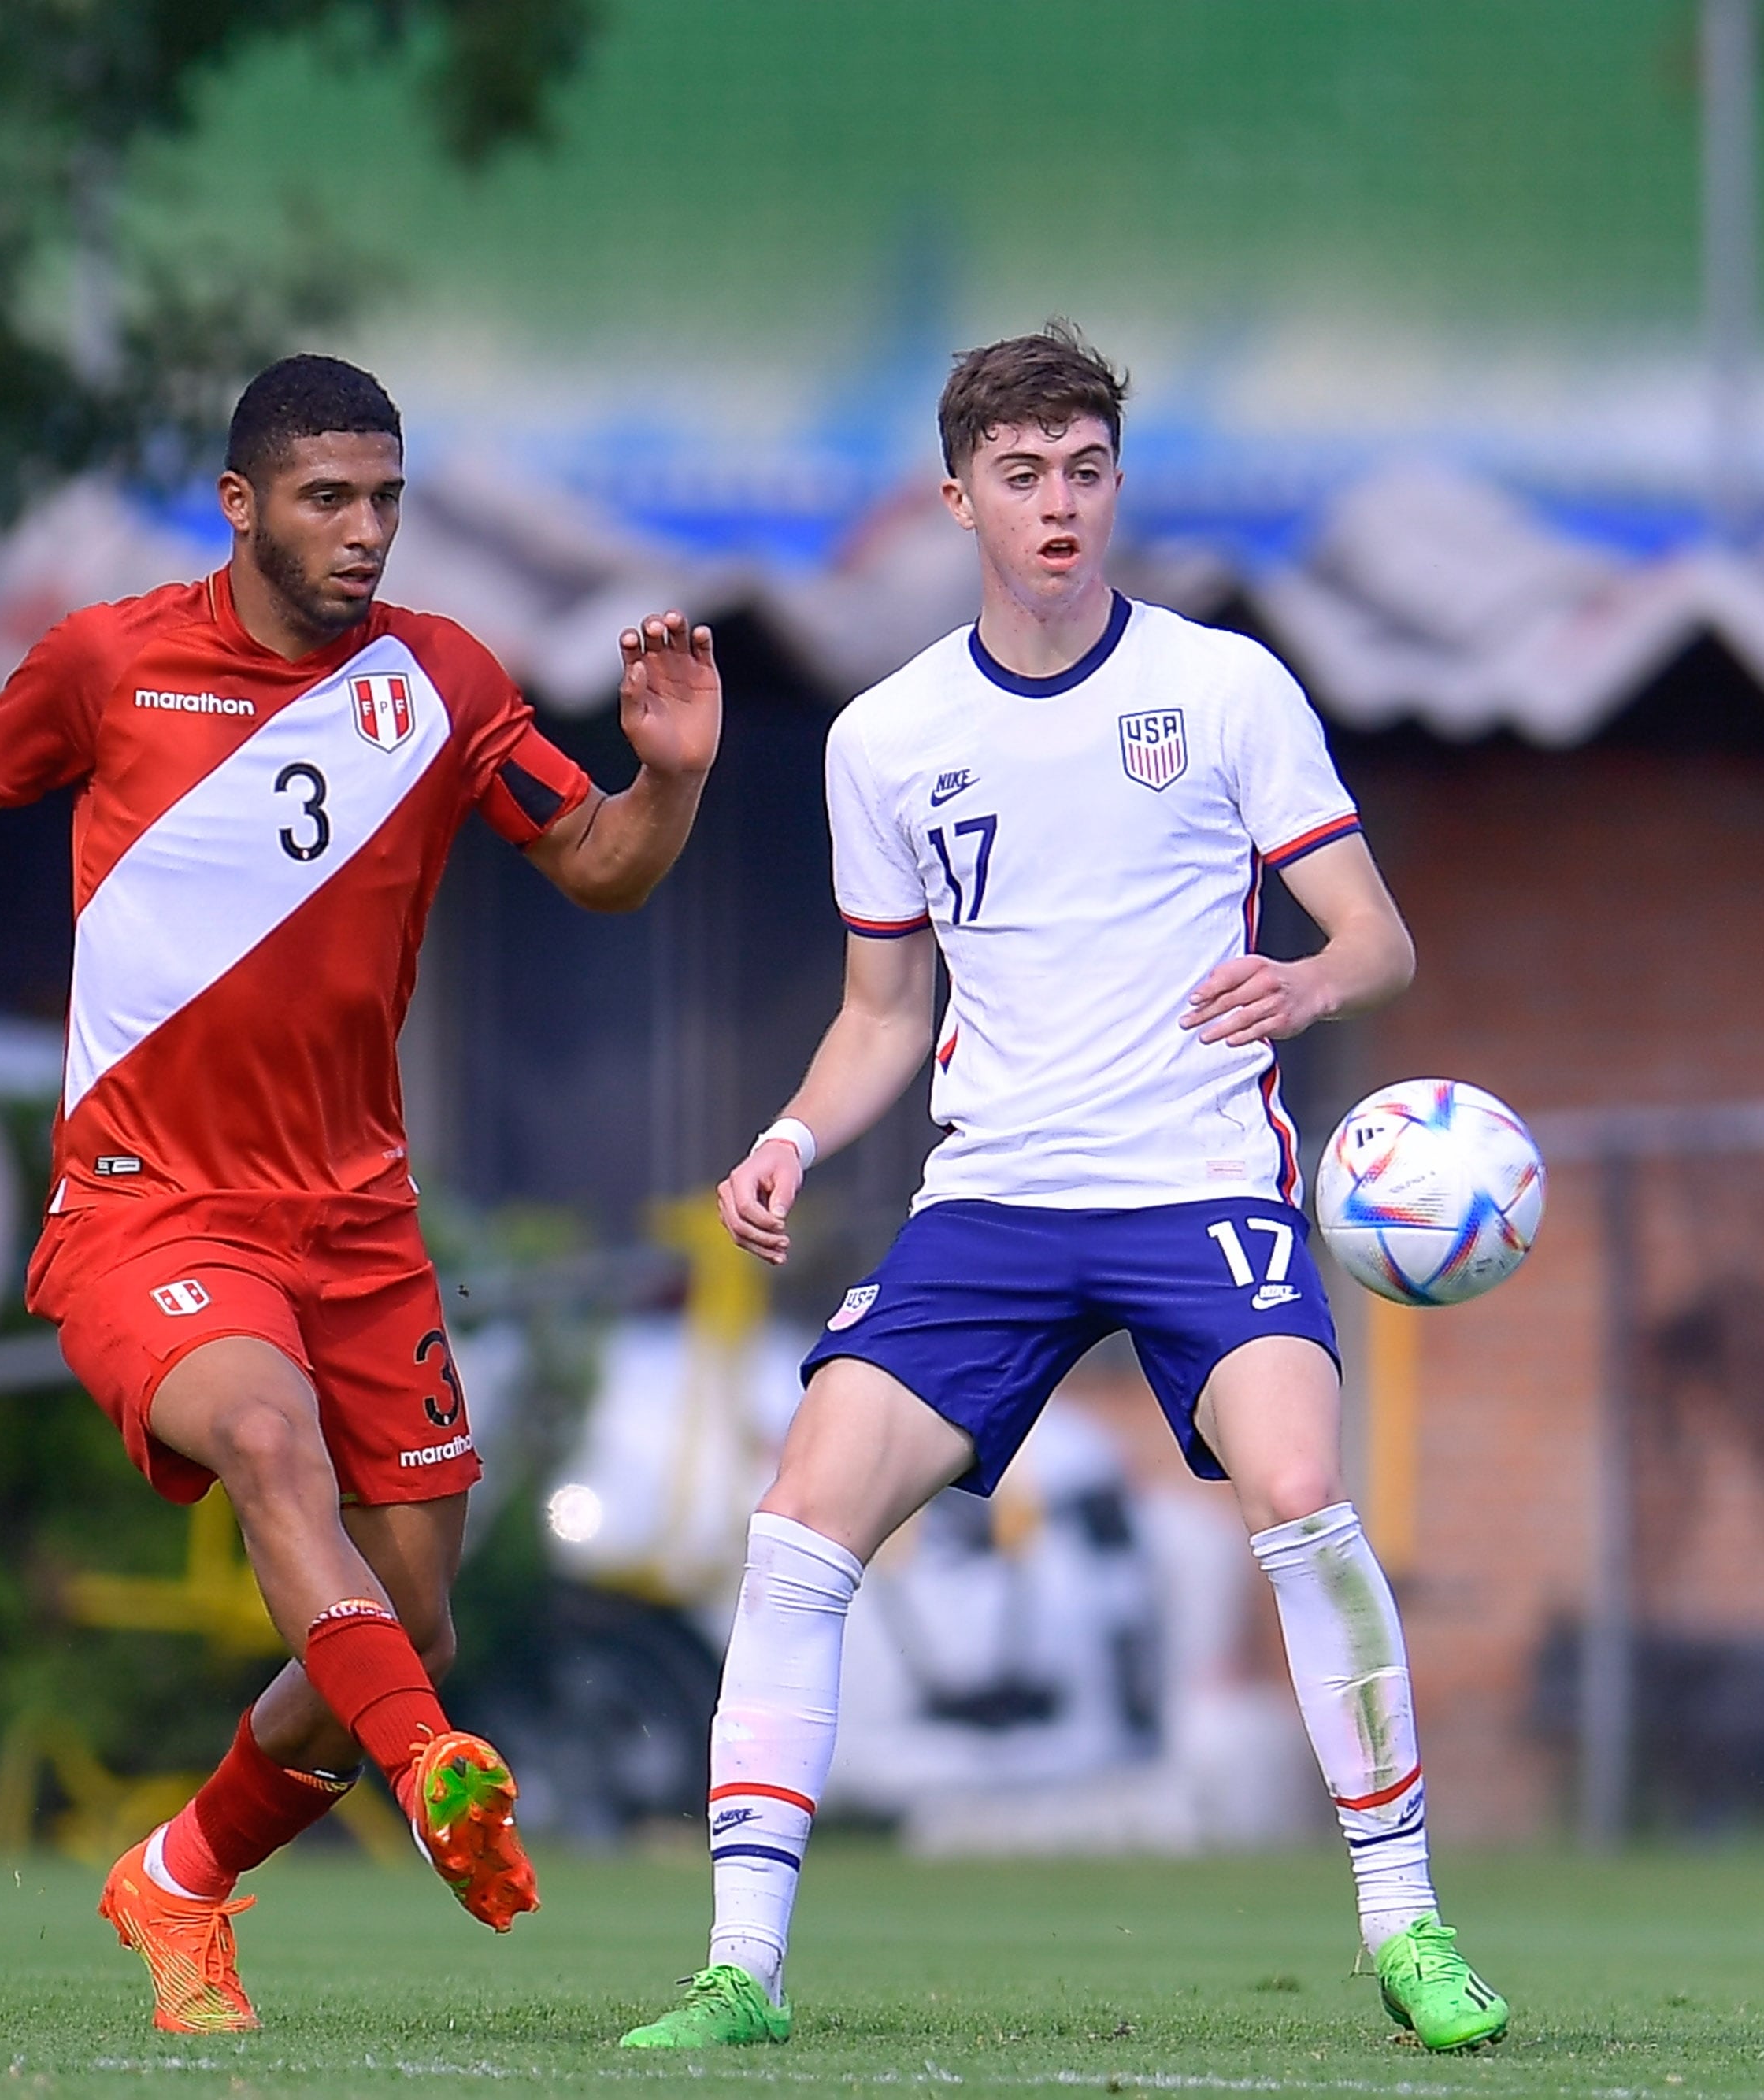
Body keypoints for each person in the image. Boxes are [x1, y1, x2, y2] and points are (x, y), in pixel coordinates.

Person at [0, 354, 721, 2033]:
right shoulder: (112, 662)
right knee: (274, 1449)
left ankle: (180, 1875)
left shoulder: (439, 681)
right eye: (327, 500)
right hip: (148, 1208)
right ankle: (431, 1761)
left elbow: (594, 867)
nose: (365, 534)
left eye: (386, 501)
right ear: (241, 506)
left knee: (402, 1608)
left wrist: (669, 780)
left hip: (355, 1221)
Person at [618, 323, 1506, 2054]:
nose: (1057, 507)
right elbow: (884, 1013)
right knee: (799, 1523)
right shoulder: (884, 737)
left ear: (1114, 486)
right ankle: (740, 1968)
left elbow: (1376, 937)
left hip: (1197, 1186)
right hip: (993, 1202)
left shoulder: (1223, 688)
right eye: (1020, 475)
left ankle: (1405, 1922)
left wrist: (1306, 985)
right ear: (957, 496)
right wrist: (792, 1135)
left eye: (1084, 471)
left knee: (1302, 1486)